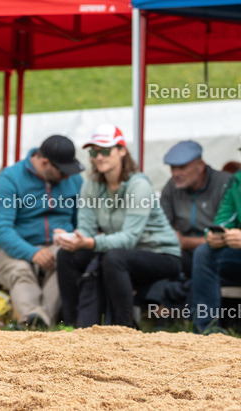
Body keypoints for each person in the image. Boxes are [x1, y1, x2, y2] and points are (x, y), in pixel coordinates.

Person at [56, 126, 182, 328]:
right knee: (67, 255)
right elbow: (86, 230)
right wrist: (71, 238)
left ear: (122, 151)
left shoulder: (139, 185)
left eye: (105, 151)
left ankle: (124, 327)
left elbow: (129, 238)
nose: (99, 157)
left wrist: (89, 242)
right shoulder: (91, 184)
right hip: (121, 252)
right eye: (94, 152)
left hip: (162, 254)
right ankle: (72, 325)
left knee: (114, 258)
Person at [0, 135, 83, 329]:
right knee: (19, 270)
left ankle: (37, 321)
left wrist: (72, 237)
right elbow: (2, 229)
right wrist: (32, 253)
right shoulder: (10, 178)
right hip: (14, 247)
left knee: (67, 260)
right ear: (44, 162)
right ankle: (32, 317)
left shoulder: (75, 180)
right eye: (63, 172)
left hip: (59, 245)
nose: (67, 176)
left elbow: (81, 222)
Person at [159, 140, 231, 277]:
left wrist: (185, 242)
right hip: (182, 255)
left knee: (203, 255)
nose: (176, 173)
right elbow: (162, 222)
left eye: (182, 167)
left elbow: (224, 237)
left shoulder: (225, 184)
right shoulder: (171, 186)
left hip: (217, 254)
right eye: (173, 168)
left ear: (200, 166)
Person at [191, 169, 241, 333]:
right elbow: (223, 220)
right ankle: (206, 330)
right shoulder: (236, 181)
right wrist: (213, 236)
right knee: (204, 253)